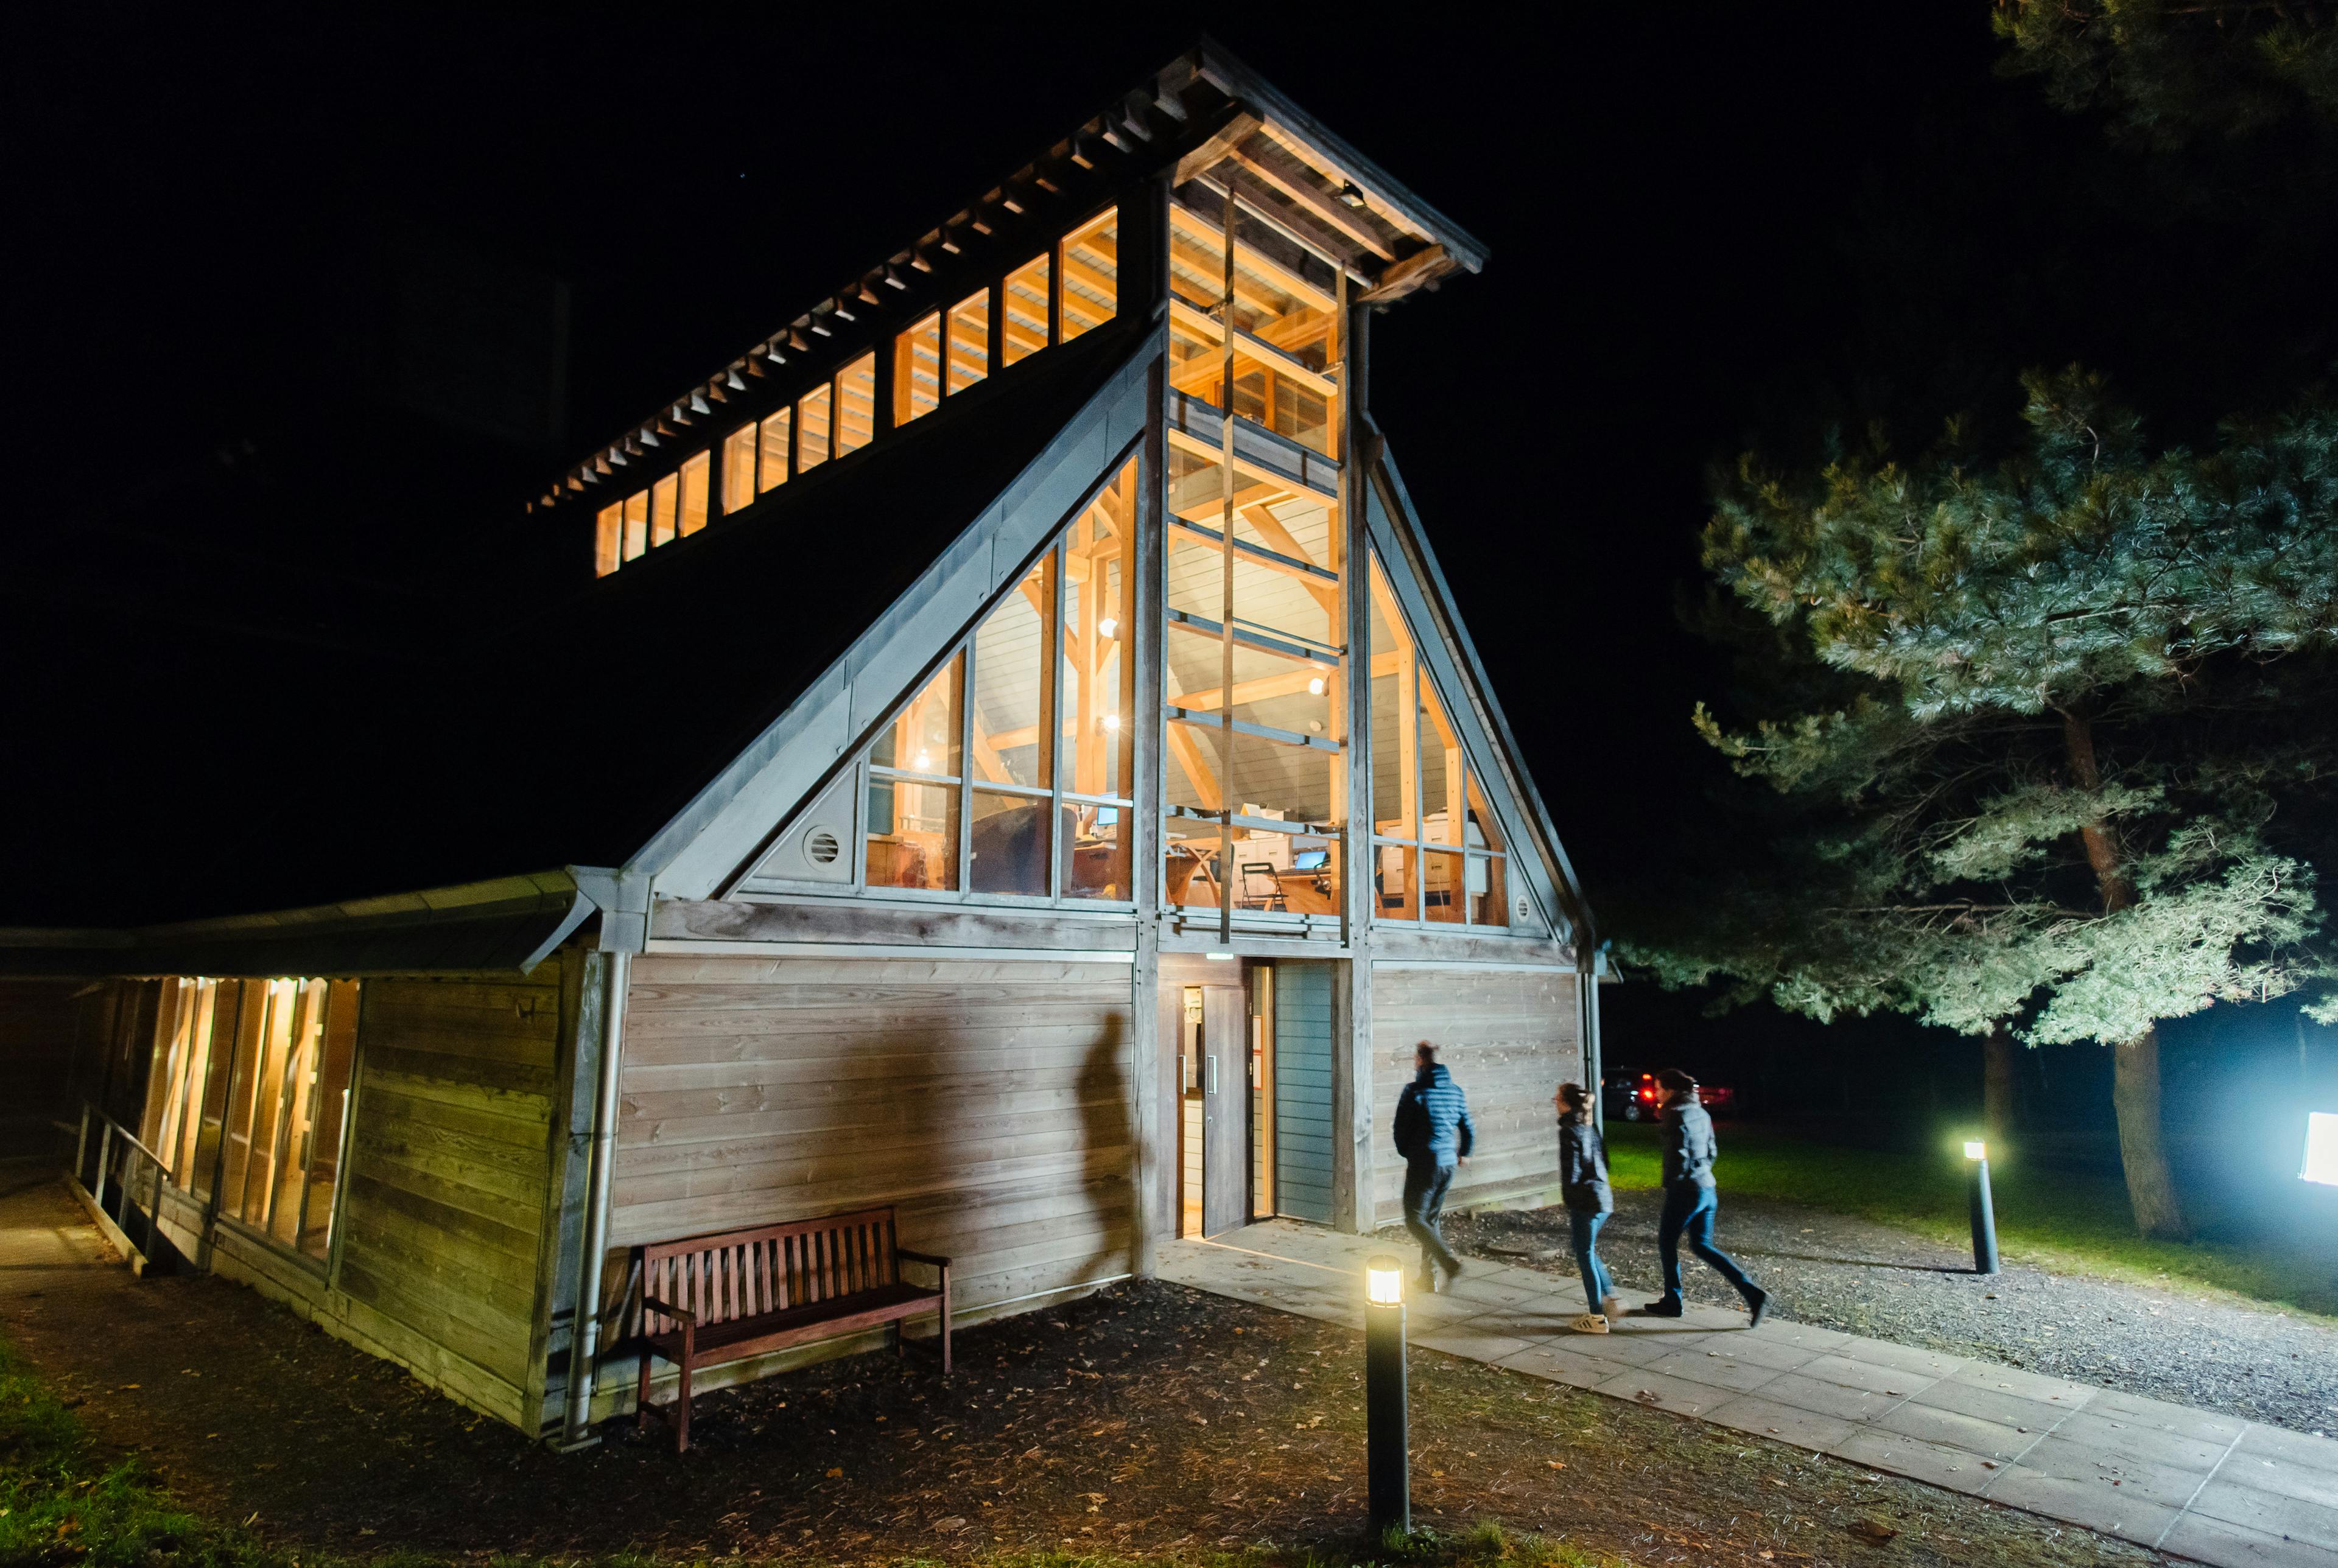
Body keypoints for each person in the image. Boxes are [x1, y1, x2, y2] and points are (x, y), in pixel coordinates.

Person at [1645, 1068, 1771, 1325]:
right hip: (1706, 1188)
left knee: (1667, 1243)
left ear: (1670, 1090)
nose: (1656, 1093)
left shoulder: (1674, 1115)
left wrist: (1672, 1183)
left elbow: (1677, 1156)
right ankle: (1753, 1294)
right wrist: (1700, 1173)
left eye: (1658, 1087)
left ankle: (1673, 1300)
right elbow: (1712, 1150)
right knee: (1702, 1245)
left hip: (1685, 1191)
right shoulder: (1700, 1112)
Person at [1393, 1041, 1473, 1292]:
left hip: (1424, 1162)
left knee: (1414, 1219)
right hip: (1448, 1164)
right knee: (1430, 1219)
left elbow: (1400, 1129)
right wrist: (1465, 1152)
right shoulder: (1455, 1091)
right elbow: (1467, 1127)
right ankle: (1428, 1278)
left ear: (1420, 1061)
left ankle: (1450, 1264)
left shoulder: (1415, 1091)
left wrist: (1409, 1153)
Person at [1556, 1082, 1624, 1332]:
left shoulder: (1570, 1130)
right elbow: (1605, 1161)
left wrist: (1571, 1199)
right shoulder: (1589, 1125)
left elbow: (1571, 1172)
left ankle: (1596, 1318)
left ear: (1566, 1103)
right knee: (1584, 1249)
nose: (1554, 1101)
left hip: (1586, 1201)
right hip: (1602, 1197)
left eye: (1557, 1097)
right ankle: (1611, 1297)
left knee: (1584, 1254)